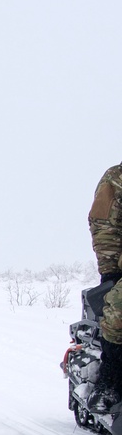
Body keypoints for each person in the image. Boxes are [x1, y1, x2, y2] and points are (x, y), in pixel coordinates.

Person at [88, 162, 122, 409]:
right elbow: (105, 226)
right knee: (119, 307)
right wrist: (110, 274)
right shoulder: (117, 177)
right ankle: (110, 382)